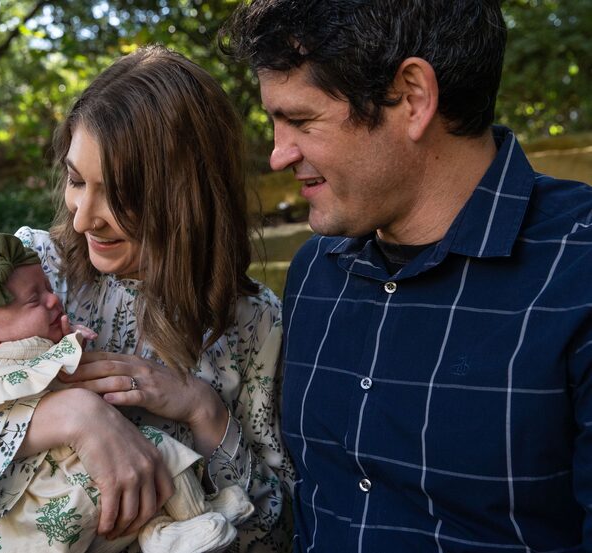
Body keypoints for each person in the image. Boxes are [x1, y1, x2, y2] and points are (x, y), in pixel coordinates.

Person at [0, 45, 293, 553]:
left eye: (118, 194)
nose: (83, 218)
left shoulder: (253, 322)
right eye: (77, 180)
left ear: (187, 196)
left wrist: (204, 410)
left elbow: (276, 533)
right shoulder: (32, 272)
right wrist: (70, 417)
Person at [224, 0, 592, 551]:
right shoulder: (314, 271)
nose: (278, 155)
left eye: (300, 120)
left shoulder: (578, 267)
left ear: (413, 98)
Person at [0, 232, 253, 553]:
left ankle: (176, 526)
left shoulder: (18, 346)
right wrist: (70, 347)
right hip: (42, 492)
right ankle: (192, 519)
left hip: (74, 473)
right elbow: (33, 378)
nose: (54, 300)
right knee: (154, 455)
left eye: (50, 288)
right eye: (34, 300)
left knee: (147, 459)